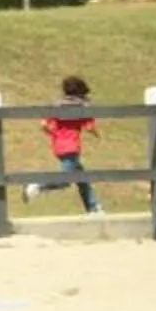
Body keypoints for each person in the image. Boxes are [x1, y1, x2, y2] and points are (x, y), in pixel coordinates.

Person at [25, 75, 102, 214]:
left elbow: (43, 125)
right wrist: (98, 135)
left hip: (59, 146)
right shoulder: (83, 107)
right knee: (65, 181)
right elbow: (90, 127)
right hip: (72, 147)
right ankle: (38, 186)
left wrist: (54, 134)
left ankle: (94, 207)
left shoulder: (57, 105)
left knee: (82, 178)